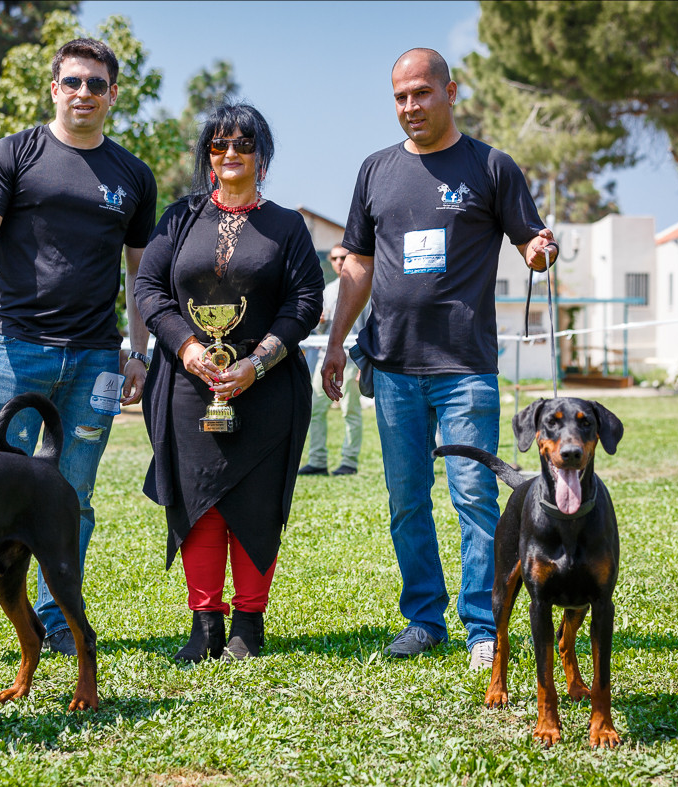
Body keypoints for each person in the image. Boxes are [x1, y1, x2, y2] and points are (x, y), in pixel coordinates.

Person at [320, 48, 559, 672]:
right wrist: (340, 342)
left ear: (451, 92)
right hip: (393, 367)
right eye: (400, 96)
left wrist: (538, 249)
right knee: (406, 501)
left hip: (464, 369)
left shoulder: (491, 166)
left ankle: (484, 624)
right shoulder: (375, 171)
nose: (410, 107)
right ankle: (424, 619)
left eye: (422, 93)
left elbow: (528, 236)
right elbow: (359, 266)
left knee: (475, 497)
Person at [0, 37, 157, 671]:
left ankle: (60, 619)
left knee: (73, 497)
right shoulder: (16, 153)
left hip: (95, 359)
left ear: (113, 94)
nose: (83, 93)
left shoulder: (133, 176)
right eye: (73, 82)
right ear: (54, 88)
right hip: (15, 346)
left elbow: (139, 276)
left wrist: (136, 352)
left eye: (96, 84)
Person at [135, 103, 323, 662]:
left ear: (262, 157)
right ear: (208, 157)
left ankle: (247, 624)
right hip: (188, 383)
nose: (231, 154)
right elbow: (149, 289)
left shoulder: (287, 225)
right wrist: (190, 349)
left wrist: (256, 362)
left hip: (265, 386)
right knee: (197, 501)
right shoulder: (178, 218)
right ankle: (204, 625)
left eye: (244, 144)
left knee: (256, 503)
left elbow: (305, 302)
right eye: (219, 146)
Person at [298, 243, 368, 476]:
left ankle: (349, 462)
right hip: (325, 357)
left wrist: (365, 365)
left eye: (344, 257)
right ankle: (317, 461)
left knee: (350, 410)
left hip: (352, 358)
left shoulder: (364, 287)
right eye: (335, 258)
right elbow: (321, 331)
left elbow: (369, 327)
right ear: (330, 260)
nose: (339, 262)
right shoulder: (327, 291)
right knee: (316, 408)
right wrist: (318, 322)